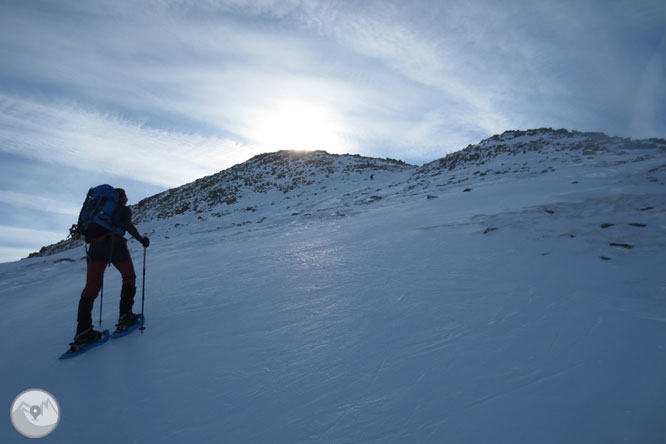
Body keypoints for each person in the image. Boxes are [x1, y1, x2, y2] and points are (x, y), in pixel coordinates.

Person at [73, 188, 150, 345]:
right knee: (129, 277)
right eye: (126, 195)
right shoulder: (122, 209)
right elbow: (127, 226)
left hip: (95, 248)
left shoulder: (97, 212)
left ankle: (83, 332)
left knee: (91, 287)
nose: (127, 198)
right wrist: (142, 240)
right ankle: (125, 317)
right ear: (121, 197)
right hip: (115, 245)